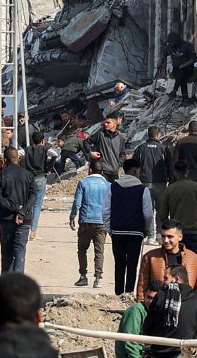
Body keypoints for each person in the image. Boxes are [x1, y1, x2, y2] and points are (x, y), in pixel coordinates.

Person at [109, 158, 153, 296]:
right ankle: (128, 294)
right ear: (135, 170)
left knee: (119, 264)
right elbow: (148, 214)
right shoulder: (143, 190)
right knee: (132, 265)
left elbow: (105, 210)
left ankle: (118, 293)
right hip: (136, 232)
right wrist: (145, 230)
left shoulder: (112, 187)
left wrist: (109, 229)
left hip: (117, 231)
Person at [0, 148, 36, 275]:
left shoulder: (0, 176)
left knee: (7, 253)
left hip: (6, 218)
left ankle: (7, 283)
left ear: (4, 160)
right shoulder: (28, 175)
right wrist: (22, 211)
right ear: (18, 158)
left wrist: (15, 209)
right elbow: (33, 196)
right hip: (24, 219)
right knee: (20, 252)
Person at [135, 223, 197, 302]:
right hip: (158, 307)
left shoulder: (194, 258)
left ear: (180, 237)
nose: (165, 240)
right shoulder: (150, 257)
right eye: (163, 236)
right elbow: (142, 286)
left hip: (185, 307)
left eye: (170, 236)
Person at [69, 162, 111, 289]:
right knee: (99, 251)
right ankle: (98, 278)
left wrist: (72, 217)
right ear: (102, 172)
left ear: (90, 170)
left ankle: (83, 276)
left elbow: (77, 202)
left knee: (82, 249)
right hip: (102, 222)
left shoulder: (83, 183)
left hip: (86, 221)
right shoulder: (109, 186)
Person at [160, 159, 197, 256]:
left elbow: (163, 215)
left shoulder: (170, 189)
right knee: (192, 265)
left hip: (175, 233)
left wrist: (168, 232)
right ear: (187, 171)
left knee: (174, 266)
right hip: (193, 231)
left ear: (175, 172)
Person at [134, 126, 171, 235]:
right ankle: (160, 233)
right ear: (158, 135)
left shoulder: (141, 148)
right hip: (160, 183)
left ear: (148, 135)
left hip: (145, 182)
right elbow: (169, 166)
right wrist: (170, 179)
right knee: (161, 210)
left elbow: (134, 166)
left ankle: (150, 235)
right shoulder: (164, 148)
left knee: (147, 209)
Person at [23, 128, 49, 231]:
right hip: (41, 177)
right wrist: (48, 167)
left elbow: (18, 153)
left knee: (30, 202)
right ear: (42, 141)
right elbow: (55, 154)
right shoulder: (45, 149)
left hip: (29, 178)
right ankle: (33, 230)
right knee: (38, 204)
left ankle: (27, 225)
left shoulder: (27, 149)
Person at [161, 32, 196, 102]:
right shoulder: (169, 47)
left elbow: (193, 59)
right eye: (170, 42)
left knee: (182, 75)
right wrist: (159, 63)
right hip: (176, 68)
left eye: (172, 42)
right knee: (180, 75)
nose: (171, 43)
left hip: (187, 68)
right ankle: (185, 98)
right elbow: (163, 55)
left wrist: (185, 64)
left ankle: (175, 91)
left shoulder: (187, 46)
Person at [90, 112, 127, 178]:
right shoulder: (100, 134)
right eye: (105, 122)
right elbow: (86, 142)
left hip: (114, 172)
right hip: (103, 171)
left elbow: (123, 154)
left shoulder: (120, 137)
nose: (105, 124)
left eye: (108, 123)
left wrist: (118, 164)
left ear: (115, 123)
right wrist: (91, 153)